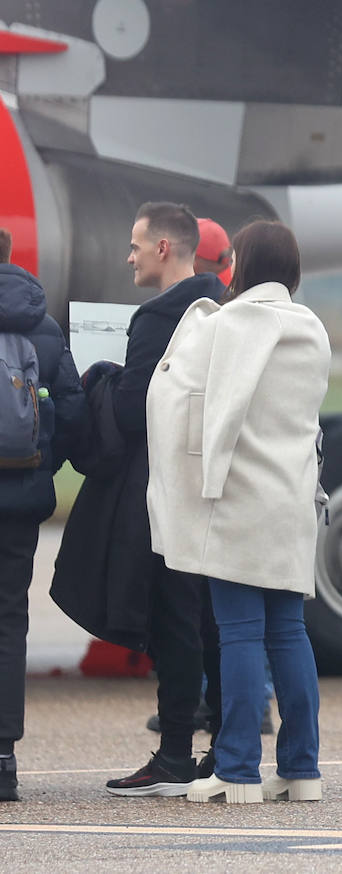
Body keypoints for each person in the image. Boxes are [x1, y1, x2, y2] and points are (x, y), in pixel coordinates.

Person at [146, 220, 330, 803]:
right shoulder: (312, 328)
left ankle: (237, 769)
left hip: (237, 500)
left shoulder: (232, 324)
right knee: (289, 634)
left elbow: (191, 400)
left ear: (243, 264)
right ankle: (301, 769)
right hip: (292, 498)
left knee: (241, 636)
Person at [51, 203, 223, 797]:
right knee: (215, 620)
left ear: (164, 249)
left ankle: (175, 751)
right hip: (218, 488)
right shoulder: (223, 310)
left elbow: (131, 414)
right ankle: (226, 748)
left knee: (174, 622)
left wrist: (101, 377)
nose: (128, 255)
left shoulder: (156, 319)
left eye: (135, 244)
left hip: (167, 490)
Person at [0, 230, 86, 801]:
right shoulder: (45, 326)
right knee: (9, 622)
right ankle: (3, 759)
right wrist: (42, 467)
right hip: (23, 495)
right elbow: (75, 417)